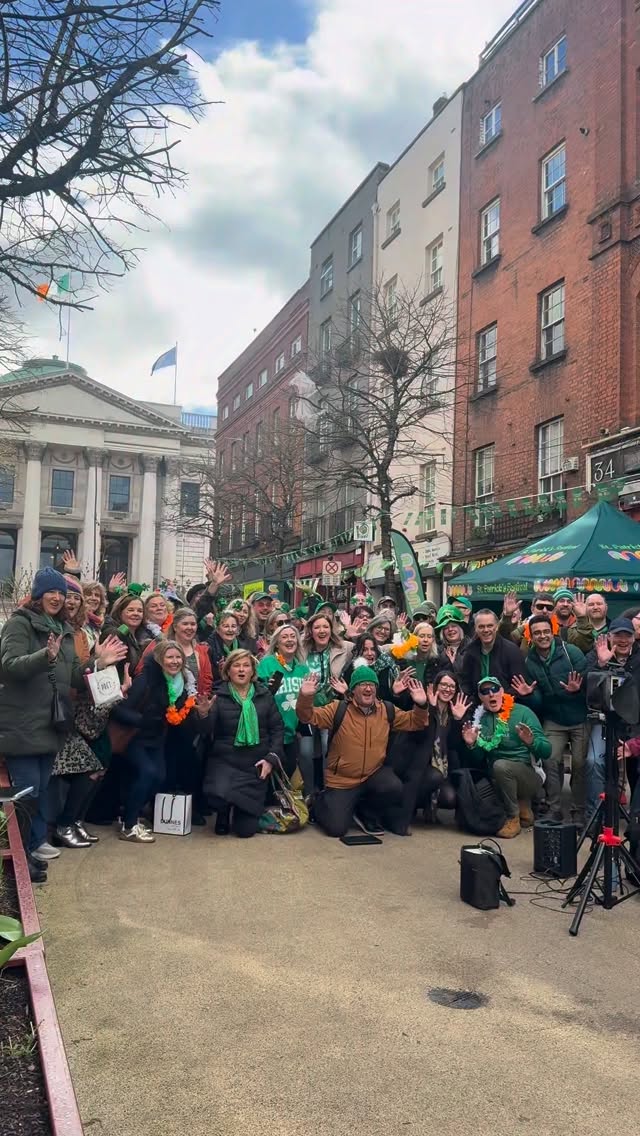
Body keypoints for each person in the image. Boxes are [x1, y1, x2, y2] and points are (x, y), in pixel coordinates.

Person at [0, 568, 126, 879]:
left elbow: (72, 677)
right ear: (38, 594)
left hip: (52, 724)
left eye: (61, 593)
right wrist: (46, 655)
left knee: (40, 791)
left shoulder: (64, 629)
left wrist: (98, 663)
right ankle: (20, 860)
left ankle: (29, 851)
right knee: (27, 794)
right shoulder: (20, 623)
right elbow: (9, 667)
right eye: (51, 592)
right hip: (23, 723)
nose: (57, 598)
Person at [295, 667, 429, 837]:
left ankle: (366, 813)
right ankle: (318, 802)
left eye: (372, 685)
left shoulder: (386, 710)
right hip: (342, 781)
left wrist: (421, 704)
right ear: (353, 690)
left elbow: (416, 722)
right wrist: (306, 697)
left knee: (393, 786)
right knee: (336, 829)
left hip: (372, 776)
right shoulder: (338, 709)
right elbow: (307, 716)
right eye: (363, 684)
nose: (368, 688)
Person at [111, 640, 203, 843]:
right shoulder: (147, 680)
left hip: (157, 739)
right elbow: (119, 709)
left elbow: (178, 714)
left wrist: (200, 713)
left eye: (178, 657)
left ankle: (130, 815)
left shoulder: (183, 682)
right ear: (160, 659)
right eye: (170, 657)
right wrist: (143, 721)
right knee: (147, 773)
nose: (175, 661)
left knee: (160, 777)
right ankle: (129, 826)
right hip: (135, 737)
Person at [511, 614, 588, 823]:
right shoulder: (529, 661)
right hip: (553, 718)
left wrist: (578, 690)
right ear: (531, 637)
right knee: (549, 759)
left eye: (546, 631)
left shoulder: (571, 652)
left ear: (552, 631)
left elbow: (591, 684)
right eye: (537, 633)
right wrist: (529, 695)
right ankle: (554, 808)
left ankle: (578, 811)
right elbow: (538, 702)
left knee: (581, 763)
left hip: (579, 716)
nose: (542, 636)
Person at [200, 648, 284, 838]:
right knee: (217, 794)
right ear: (227, 671)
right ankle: (223, 811)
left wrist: (271, 759)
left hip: (255, 765)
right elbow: (204, 732)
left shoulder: (265, 695)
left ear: (253, 671)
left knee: (245, 832)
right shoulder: (218, 696)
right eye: (236, 665)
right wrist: (203, 714)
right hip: (225, 761)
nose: (241, 670)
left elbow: (277, 730)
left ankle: (239, 808)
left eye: (246, 665)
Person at [462, 677, 550, 838]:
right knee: (495, 769)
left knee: (501, 766)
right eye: (485, 692)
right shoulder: (481, 719)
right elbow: (478, 758)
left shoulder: (523, 712)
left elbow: (547, 751)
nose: (491, 694)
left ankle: (513, 818)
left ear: (502, 692)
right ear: (481, 698)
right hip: (499, 777)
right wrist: (471, 744)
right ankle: (523, 807)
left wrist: (532, 742)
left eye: (494, 689)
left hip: (529, 775)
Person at [389, 670, 470, 833]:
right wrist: (429, 707)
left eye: (452, 686)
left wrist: (458, 720)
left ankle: (426, 803)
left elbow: (453, 745)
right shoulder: (423, 704)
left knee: (449, 797)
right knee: (434, 776)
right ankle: (405, 809)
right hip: (413, 765)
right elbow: (420, 734)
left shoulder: (452, 712)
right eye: (444, 685)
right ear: (435, 686)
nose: (448, 689)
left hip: (440, 767)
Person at [583, 618, 640, 817]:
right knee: (593, 761)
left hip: (635, 724)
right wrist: (601, 664)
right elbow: (585, 689)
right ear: (609, 637)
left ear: (634, 638)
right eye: (618, 635)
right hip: (605, 721)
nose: (623, 640)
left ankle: (635, 818)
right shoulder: (595, 654)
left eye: (628, 636)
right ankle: (595, 816)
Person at [257, 624, 310, 788]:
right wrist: (269, 689)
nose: (289, 640)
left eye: (293, 636)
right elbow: (257, 695)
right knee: (267, 779)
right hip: (270, 733)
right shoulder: (267, 663)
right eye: (284, 637)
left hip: (292, 733)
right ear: (277, 643)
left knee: (287, 776)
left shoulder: (303, 668)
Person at [460, 609, 525, 698]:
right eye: (481, 626)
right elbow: (466, 684)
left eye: (490, 626)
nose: (486, 630)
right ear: (475, 628)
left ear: (497, 626)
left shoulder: (512, 651)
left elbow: (518, 685)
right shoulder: (470, 652)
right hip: (477, 705)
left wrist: (499, 699)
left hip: (507, 702)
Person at [340, 634, 405, 703]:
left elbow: (390, 700)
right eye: (365, 650)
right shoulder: (351, 669)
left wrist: (395, 694)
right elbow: (345, 700)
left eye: (373, 649)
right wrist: (346, 692)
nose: (370, 653)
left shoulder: (386, 667)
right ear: (358, 652)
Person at [102, 592, 150, 674]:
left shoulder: (143, 637)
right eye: (130, 610)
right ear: (120, 612)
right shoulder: (114, 634)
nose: (136, 614)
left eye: (140, 611)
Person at [191, 559, 234, 641]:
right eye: (198, 595)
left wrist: (213, 582)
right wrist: (213, 583)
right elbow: (205, 603)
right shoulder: (196, 615)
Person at [208, 611, 241, 681]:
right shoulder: (209, 648)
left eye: (233, 626)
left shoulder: (242, 647)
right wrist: (219, 671)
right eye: (226, 626)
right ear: (217, 629)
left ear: (238, 630)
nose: (230, 630)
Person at [434, 604, 468, 673]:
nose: (450, 629)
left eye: (453, 626)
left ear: (460, 628)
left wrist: (456, 663)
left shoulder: (471, 647)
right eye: (446, 628)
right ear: (442, 633)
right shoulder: (437, 651)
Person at [82, 581, 108, 649]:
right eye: (88, 594)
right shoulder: (77, 620)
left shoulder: (98, 623)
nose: (93, 598)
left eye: (97, 595)